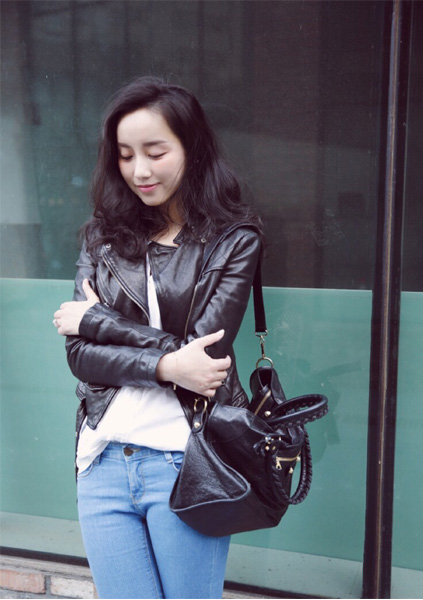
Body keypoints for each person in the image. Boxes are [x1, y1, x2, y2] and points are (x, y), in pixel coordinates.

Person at [53, 76, 263, 600]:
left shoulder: (233, 240)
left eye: (155, 152)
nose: (139, 171)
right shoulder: (102, 236)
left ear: (192, 148)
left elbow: (205, 357)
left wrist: (98, 322)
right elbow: (80, 356)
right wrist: (169, 366)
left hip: (186, 460)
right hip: (103, 460)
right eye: (125, 155)